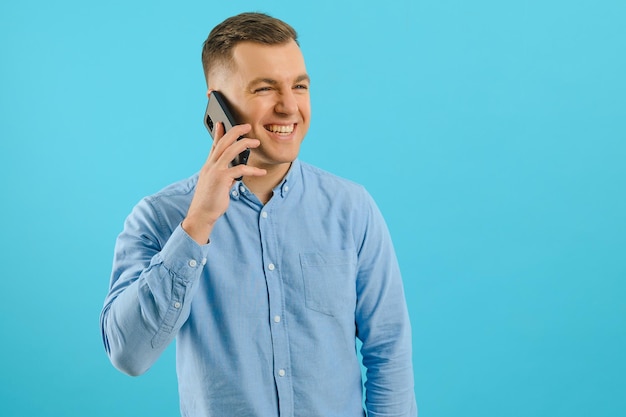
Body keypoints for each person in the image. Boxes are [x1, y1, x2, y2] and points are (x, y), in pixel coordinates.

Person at [100, 12, 417, 417]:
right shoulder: (160, 217)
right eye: (265, 88)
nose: (289, 107)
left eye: (299, 86)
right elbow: (128, 355)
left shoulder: (353, 209)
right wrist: (196, 227)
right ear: (218, 103)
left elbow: (388, 350)